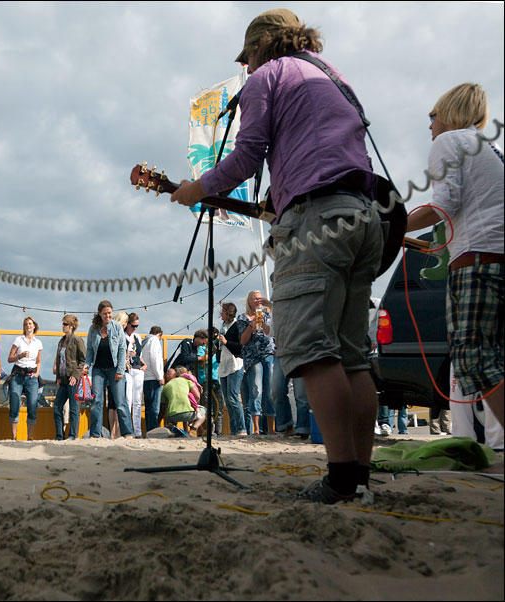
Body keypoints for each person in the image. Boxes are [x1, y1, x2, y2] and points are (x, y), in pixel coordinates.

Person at [172, 8, 382, 503]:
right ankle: (361, 480)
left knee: (313, 351)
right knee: (353, 356)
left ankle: (339, 479)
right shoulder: (335, 76)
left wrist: (196, 189)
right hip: (365, 214)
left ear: (264, 43)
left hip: (318, 218)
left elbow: (247, 155)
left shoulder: (270, 73)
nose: (246, 67)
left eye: (248, 56)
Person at [405, 82, 504, 430]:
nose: (430, 126)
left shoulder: (450, 141)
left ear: (448, 114)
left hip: (477, 260)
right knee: (495, 358)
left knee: (474, 360)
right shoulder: (490, 148)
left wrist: (391, 227)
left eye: (432, 116)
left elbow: (444, 205)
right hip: (495, 257)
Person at [83, 300, 132, 438]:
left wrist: (120, 370)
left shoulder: (117, 327)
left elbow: (123, 349)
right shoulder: (93, 329)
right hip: (98, 369)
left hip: (114, 368)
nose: (108, 316)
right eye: (105, 313)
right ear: (99, 314)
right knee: (96, 401)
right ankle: (95, 434)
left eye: (110, 313)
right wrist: (87, 365)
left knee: (120, 401)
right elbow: (90, 351)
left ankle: (127, 432)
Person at [238, 291, 275, 435]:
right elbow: (242, 341)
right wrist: (250, 326)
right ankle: (257, 428)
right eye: (255, 298)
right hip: (253, 357)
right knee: (256, 389)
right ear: (249, 302)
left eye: (260, 298)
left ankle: (271, 428)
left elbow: (272, 333)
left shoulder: (267, 315)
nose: (258, 300)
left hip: (268, 353)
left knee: (270, 391)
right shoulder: (243, 318)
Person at [7, 317, 43, 440]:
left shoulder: (38, 342)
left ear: (34, 326)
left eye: (30, 324)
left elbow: (38, 361)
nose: (28, 326)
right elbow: (10, 358)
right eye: (26, 324)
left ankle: (29, 437)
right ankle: (14, 437)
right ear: (24, 327)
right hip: (18, 374)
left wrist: (37, 373)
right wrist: (20, 355)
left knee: (32, 406)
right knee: (14, 404)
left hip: (31, 376)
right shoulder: (18, 340)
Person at [52, 315, 86, 440]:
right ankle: (59, 435)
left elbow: (83, 360)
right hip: (63, 379)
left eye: (65, 324)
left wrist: (76, 375)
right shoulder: (61, 341)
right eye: (63, 324)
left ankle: (72, 435)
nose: (63, 326)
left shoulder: (77, 340)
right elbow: (60, 361)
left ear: (71, 326)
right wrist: (58, 378)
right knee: (57, 407)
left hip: (73, 380)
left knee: (74, 409)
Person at [217, 302, 246, 436]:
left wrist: (226, 342)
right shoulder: (223, 326)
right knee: (227, 399)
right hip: (224, 364)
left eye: (222, 311)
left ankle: (241, 428)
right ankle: (234, 429)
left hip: (235, 364)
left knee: (233, 397)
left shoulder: (236, 326)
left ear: (227, 312)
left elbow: (241, 346)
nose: (220, 314)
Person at [123, 313, 147, 437]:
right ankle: (128, 430)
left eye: (137, 326)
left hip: (138, 369)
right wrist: (128, 355)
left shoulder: (137, 337)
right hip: (127, 370)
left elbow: (140, 355)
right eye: (133, 325)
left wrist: (144, 365)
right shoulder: (122, 336)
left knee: (137, 401)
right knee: (128, 400)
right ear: (127, 324)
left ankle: (137, 431)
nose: (135, 328)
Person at [140, 326, 165, 435]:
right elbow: (155, 359)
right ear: (159, 334)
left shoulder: (144, 341)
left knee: (148, 408)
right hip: (153, 378)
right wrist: (160, 376)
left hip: (145, 377)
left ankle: (148, 431)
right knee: (154, 408)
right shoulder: (154, 340)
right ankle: (153, 431)